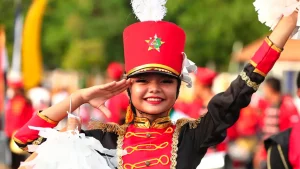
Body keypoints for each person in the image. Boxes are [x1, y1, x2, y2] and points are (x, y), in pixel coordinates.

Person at [13, 1, 299, 168]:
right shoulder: (103, 139)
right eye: (142, 81)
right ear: (127, 86)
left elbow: (240, 91)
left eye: (165, 81)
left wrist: (287, 22)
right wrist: (79, 97)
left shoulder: (192, 136)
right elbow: (24, 141)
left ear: (177, 87)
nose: (154, 88)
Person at [254, 77, 299, 168]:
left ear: (270, 88)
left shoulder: (287, 104)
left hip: (281, 151)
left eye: (265, 88)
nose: (263, 91)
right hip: (266, 149)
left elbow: (293, 132)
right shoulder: (265, 104)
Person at [4, 76, 34, 169]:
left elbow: (26, 118)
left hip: (18, 133)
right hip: (11, 133)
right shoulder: (12, 100)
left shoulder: (22, 101)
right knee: (14, 158)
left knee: (18, 159)